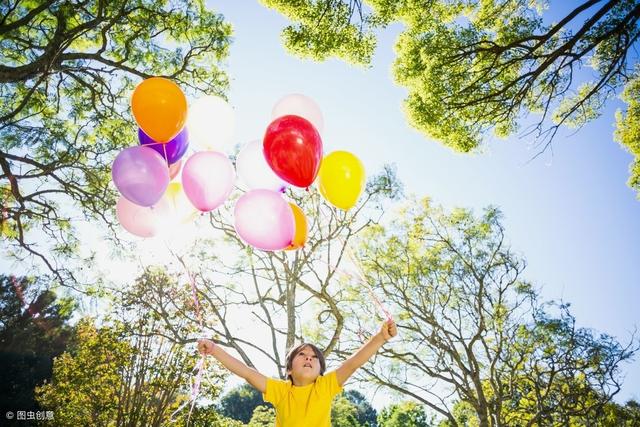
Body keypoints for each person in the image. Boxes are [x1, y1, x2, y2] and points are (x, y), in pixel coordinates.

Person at [197, 318, 397, 426]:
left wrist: (381, 337)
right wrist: (215, 350)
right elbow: (247, 373)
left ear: (320, 371)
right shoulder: (281, 390)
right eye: (302, 354)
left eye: (314, 356)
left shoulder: (324, 386)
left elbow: (352, 364)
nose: (309, 357)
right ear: (290, 369)